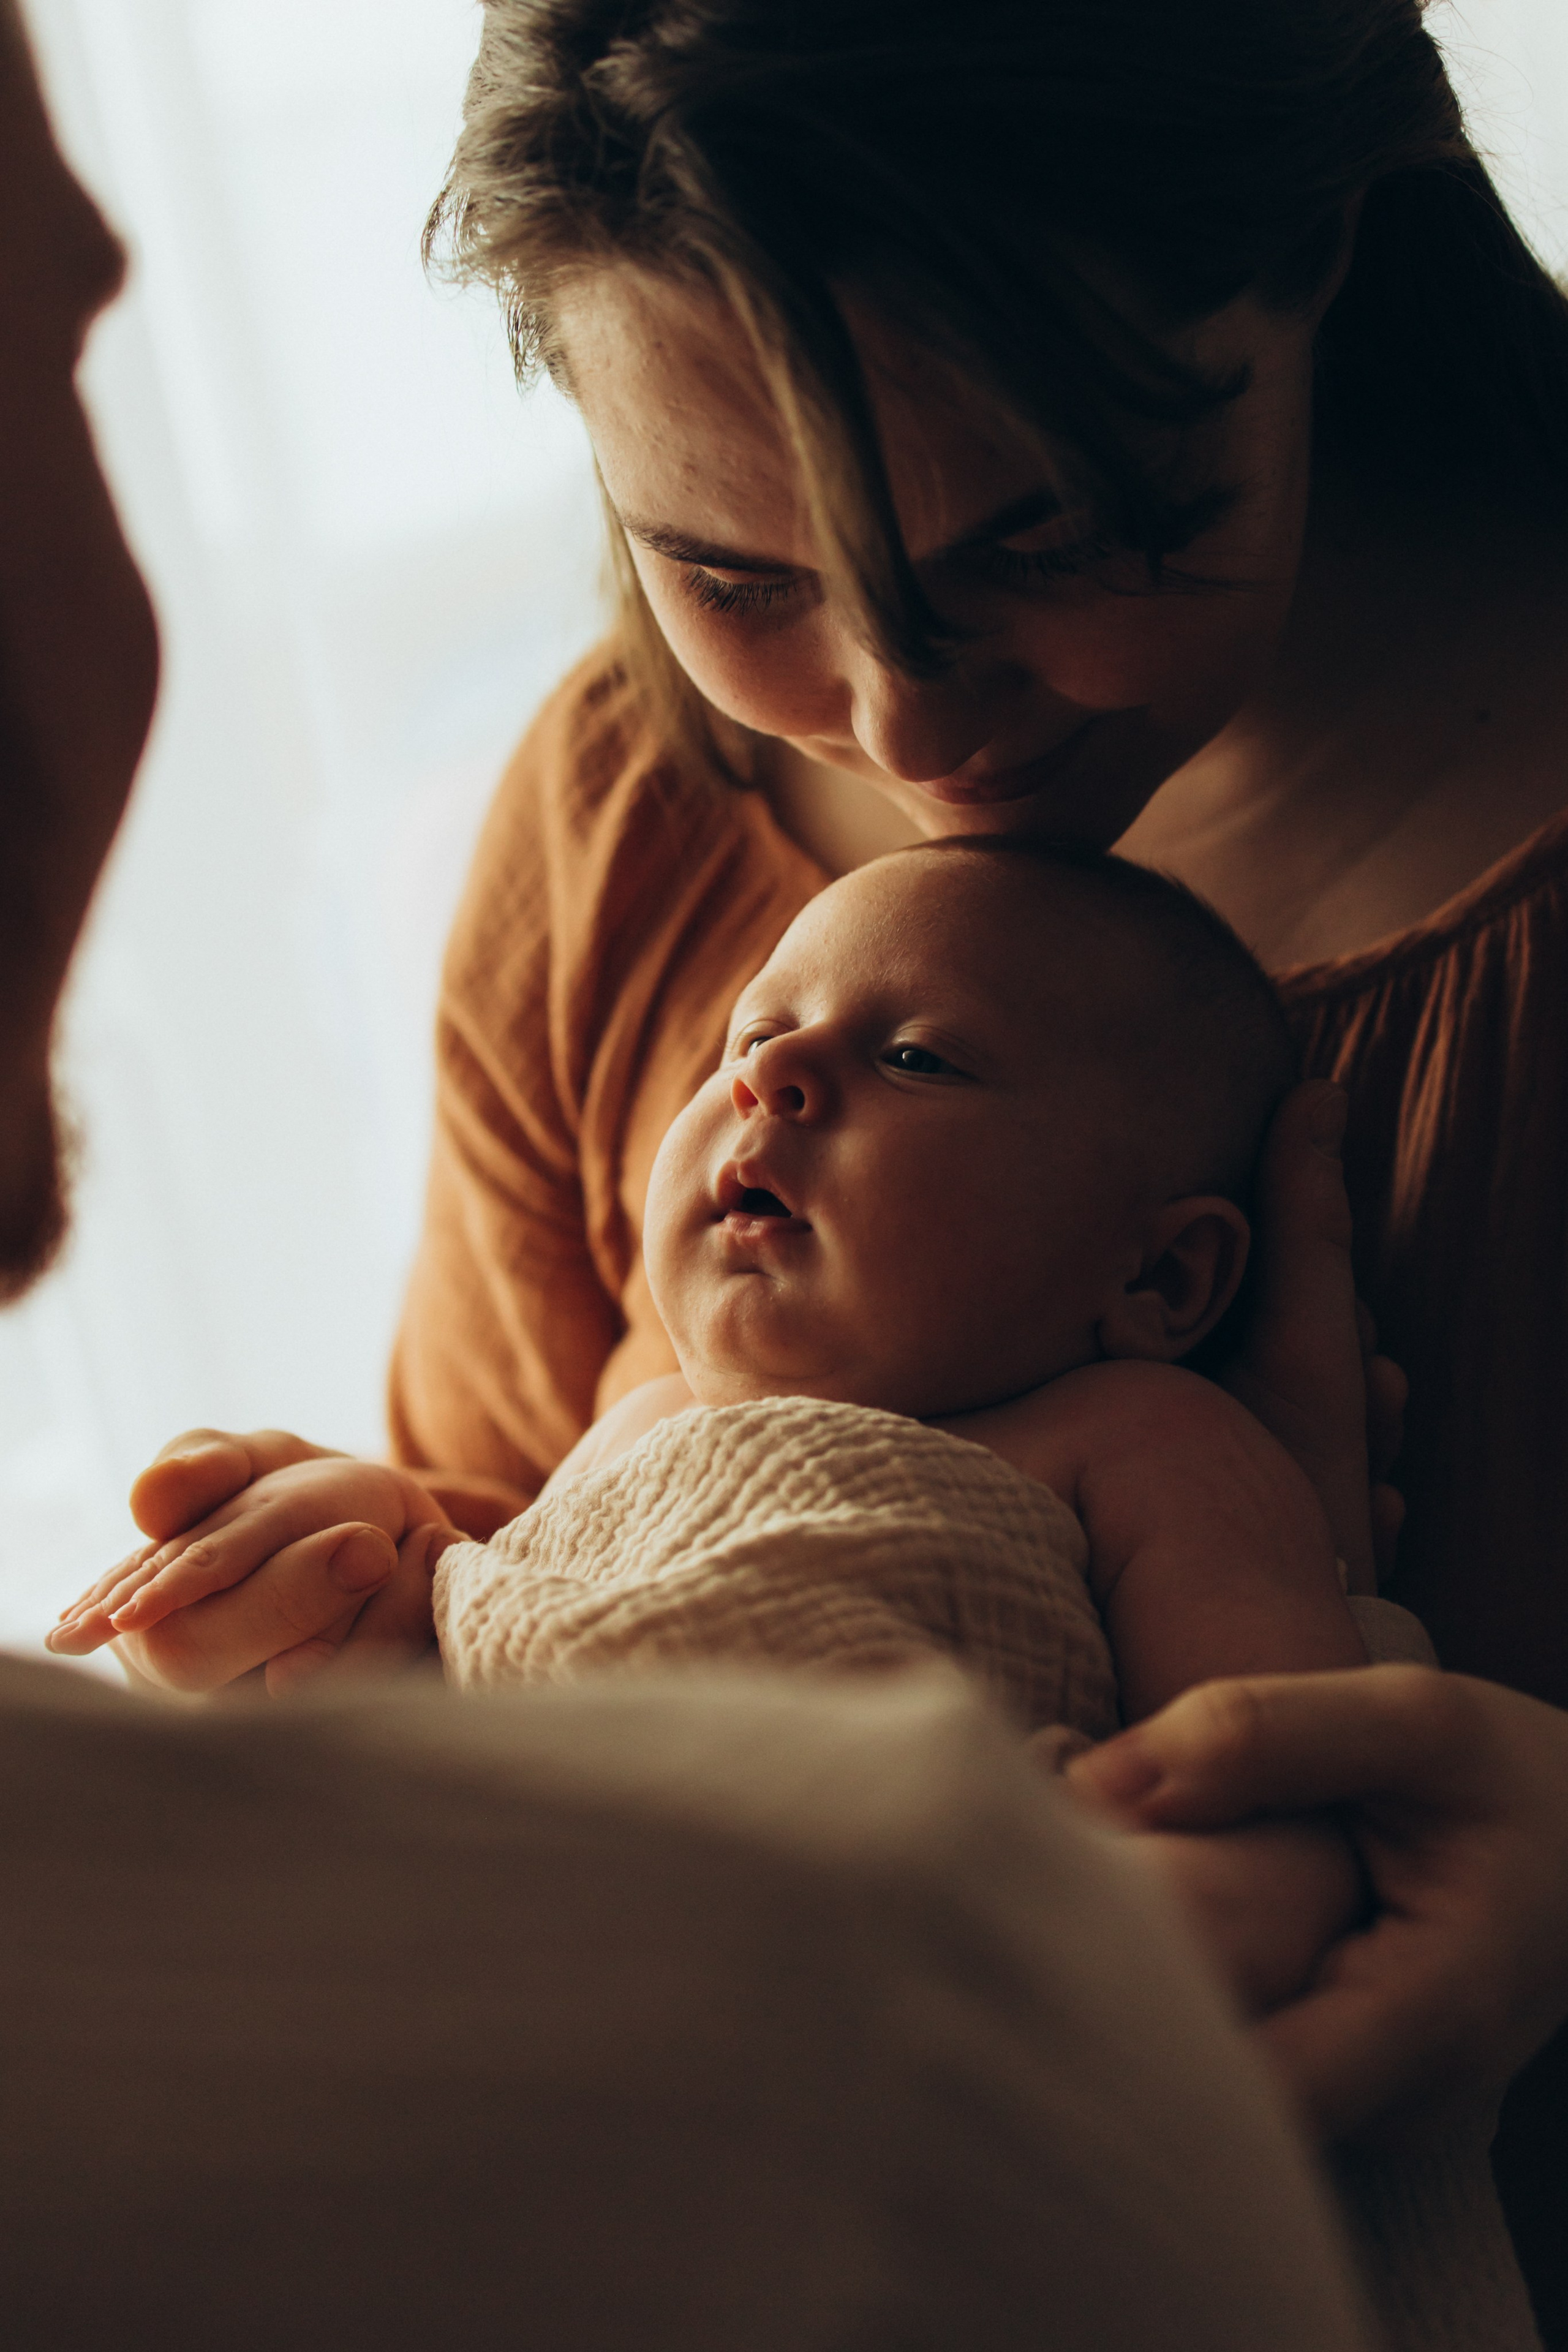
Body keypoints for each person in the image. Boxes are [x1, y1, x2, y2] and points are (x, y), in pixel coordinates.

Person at [27, 0, 1568, 2333]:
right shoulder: (628, 823)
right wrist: (383, 1593)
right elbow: (543, 1585)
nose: (916, 725)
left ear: (1322, 245)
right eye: (730, 572)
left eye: (1051, 531)